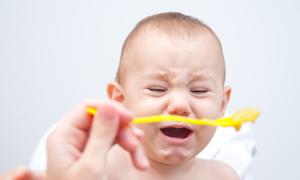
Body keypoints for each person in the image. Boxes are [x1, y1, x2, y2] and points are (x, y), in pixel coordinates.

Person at [2, 12, 258, 180]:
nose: (180, 105)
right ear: (119, 99)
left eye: (199, 91)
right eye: (158, 89)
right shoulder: (102, 166)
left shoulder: (223, 175)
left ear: (222, 103)